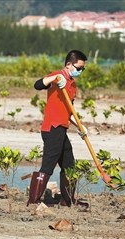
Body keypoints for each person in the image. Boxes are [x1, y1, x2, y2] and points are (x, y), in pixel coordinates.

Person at [27, 50, 89, 208]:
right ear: (69, 64)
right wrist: (55, 78)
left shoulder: (72, 84)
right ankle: (34, 200)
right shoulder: (57, 76)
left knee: (69, 165)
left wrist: (81, 127)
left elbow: (70, 111)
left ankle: (67, 200)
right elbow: (38, 85)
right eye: (78, 68)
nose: (80, 71)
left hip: (62, 129)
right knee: (48, 165)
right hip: (52, 128)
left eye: (83, 69)